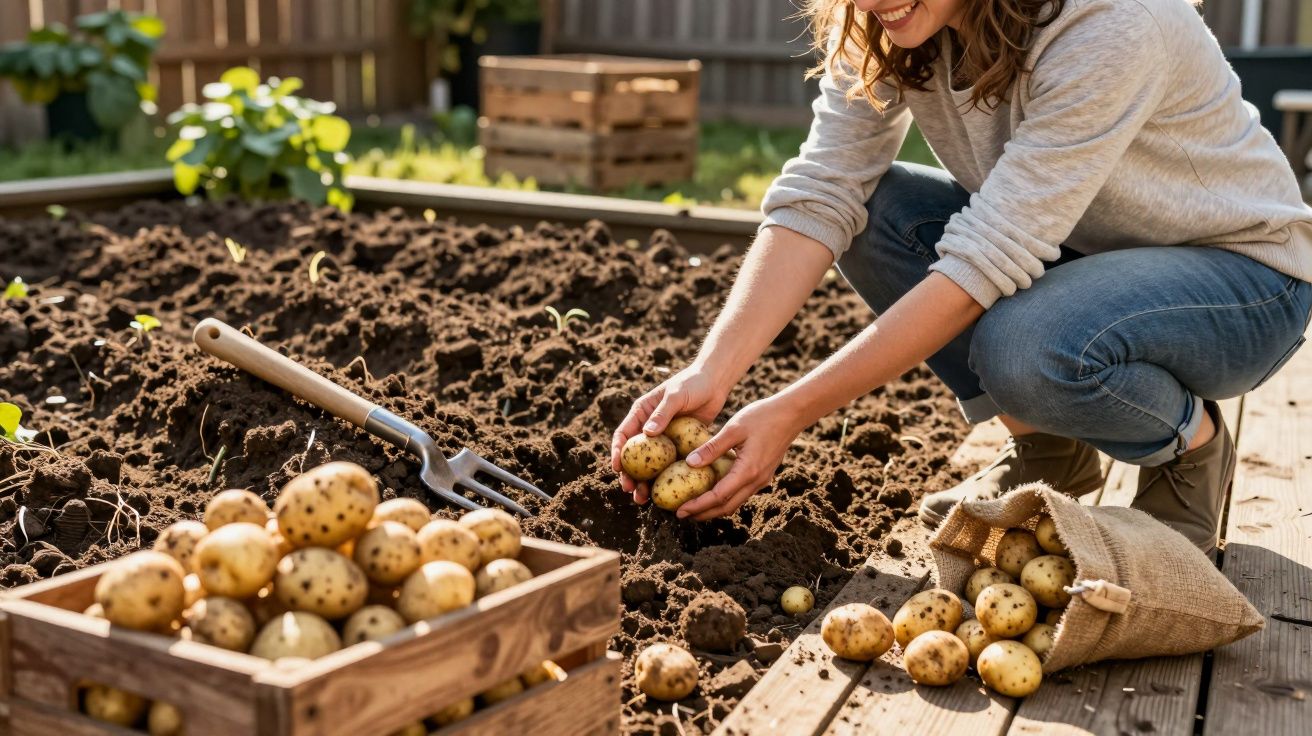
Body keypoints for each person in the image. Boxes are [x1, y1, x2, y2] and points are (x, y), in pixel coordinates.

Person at [609, 0, 1312, 553]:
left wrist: (790, 413)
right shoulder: (886, 22)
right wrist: (712, 372)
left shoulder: (1111, 21)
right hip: (1084, 258)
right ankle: (1048, 452)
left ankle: (1190, 449)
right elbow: (824, 190)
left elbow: (983, 263)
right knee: (874, 210)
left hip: (1244, 280)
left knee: (1025, 345)